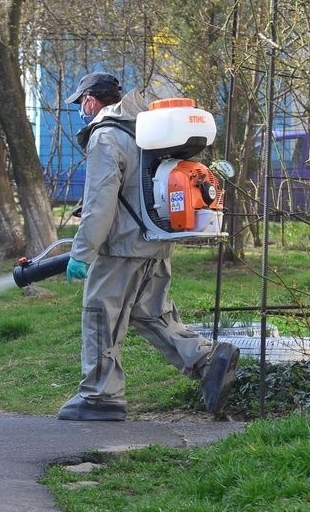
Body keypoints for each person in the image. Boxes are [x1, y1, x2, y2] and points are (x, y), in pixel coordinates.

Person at [59, 71, 239, 422]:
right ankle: (207, 360)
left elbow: (100, 203)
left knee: (100, 317)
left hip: (121, 248)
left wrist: (82, 254)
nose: (82, 109)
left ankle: (100, 396)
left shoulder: (106, 136)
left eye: (82, 102)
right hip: (155, 240)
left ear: (92, 100)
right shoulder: (145, 130)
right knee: (151, 314)